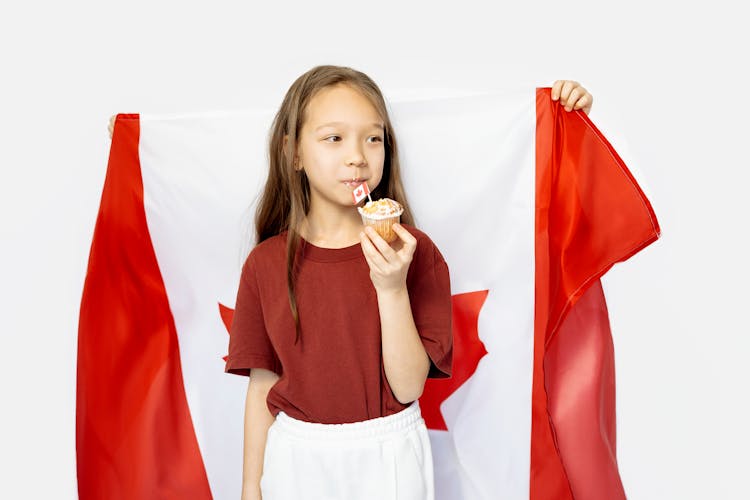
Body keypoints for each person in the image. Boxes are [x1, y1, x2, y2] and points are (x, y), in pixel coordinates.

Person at [106, 69, 592, 500]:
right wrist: (250, 489)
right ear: (294, 152)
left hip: (388, 453)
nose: (357, 157)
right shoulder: (265, 264)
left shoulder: (413, 253)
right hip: (296, 457)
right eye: (333, 139)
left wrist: (391, 287)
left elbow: (407, 386)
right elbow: (262, 387)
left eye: (373, 139)